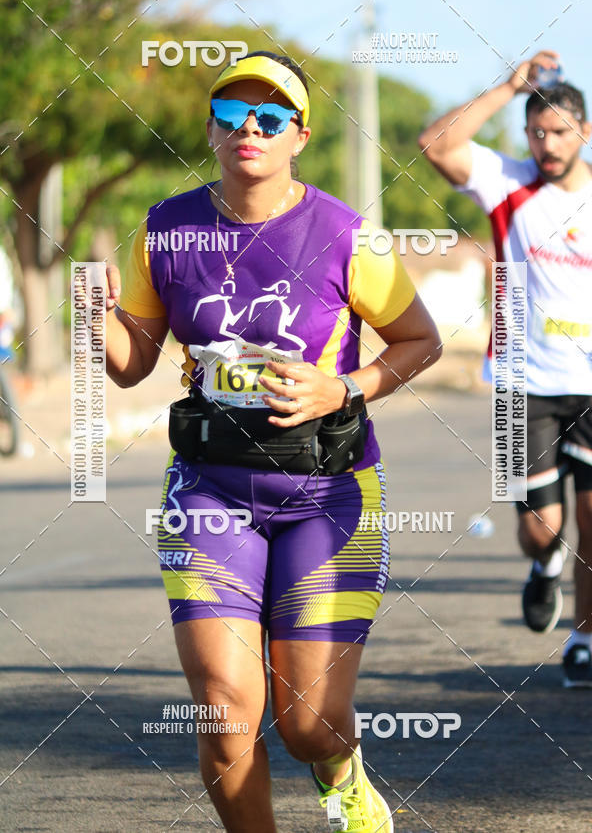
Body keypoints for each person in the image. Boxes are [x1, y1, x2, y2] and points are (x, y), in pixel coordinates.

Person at [105, 50, 441, 831]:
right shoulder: (164, 230)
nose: (247, 128)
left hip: (328, 492)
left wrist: (346, 387)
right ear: (213, 133)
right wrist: (100, 323)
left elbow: (418, 340)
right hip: (211, 489)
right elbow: (133, 366)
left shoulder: (346, 234)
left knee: (307, 723)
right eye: (230, 116)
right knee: (224, 712)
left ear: (300, 135)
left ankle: (342, 773)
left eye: (269, 116)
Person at [419, 49, 592, 687]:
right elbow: (436, 143)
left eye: (558, 132)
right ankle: (544, 566)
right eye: (536, 132)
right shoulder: (508, 181)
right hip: (519, 382)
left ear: (585, 131)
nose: (547, 145)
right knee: (541, 528)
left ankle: (582, 643)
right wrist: (507, 86)